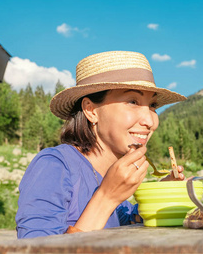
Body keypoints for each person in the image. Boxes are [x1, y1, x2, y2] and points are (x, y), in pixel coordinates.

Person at [15, 51, 187, 238]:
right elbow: (34, 248)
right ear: (91, 110)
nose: (150, 120)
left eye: (152, 105)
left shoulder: (109, 175)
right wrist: (107, 197)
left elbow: (127, 220)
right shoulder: (54, 165)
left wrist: (161, 194)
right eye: (132, 101)